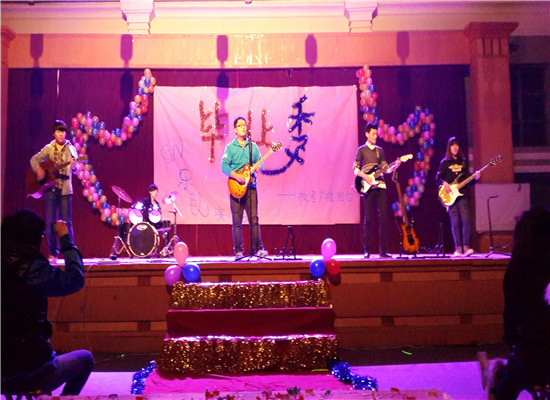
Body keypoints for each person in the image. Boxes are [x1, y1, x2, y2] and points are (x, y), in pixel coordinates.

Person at [1, 210, 94, 396]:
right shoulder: (33, 269)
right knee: (86, 359)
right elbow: (75, 279)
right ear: (34, 239)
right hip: (33, 369)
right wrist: (66, 239)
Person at [478, 208, 550, 399]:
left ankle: (495, 383)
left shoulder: (518, 269)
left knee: (508, 384)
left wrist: (514, 344)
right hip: (534, 351)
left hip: (530, 354)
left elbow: (511, 316)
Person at [30, 120, 80, 262]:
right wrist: (38, 170)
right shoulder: (49, 148)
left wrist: (74, 166)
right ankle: (53, 252)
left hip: (65, 189)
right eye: (58, 131)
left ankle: (70, 253)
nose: (61, 134)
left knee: (66, 222)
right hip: (51, 189)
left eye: (63, 131)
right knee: (51, 222)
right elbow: (34, 159)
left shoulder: (71, 148)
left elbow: (77, 169)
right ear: (54, 133)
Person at [221, 116, 268, 260]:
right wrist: (235, 175)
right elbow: (224, 166)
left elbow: (260, 162)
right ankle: (238, 251)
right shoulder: (230, 147)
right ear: (235, 129)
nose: (243, 127)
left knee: (254, 219)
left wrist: (260, 167)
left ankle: (258, 249)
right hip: (236, 187)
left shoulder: (253, 147)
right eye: (240, 125)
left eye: (244, 125)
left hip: (251, 187)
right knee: (237, 221)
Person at [353, 123, 401, 258]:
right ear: (367, 134)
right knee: (368, 218)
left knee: (384, 218)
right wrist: (366, 177)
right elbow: (355, 169)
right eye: (373, 134)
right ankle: (366, 250)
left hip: (381, 185)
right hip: (368, 187)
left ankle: (383, 250)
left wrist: (395, 166)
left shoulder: (380, 151)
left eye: (376, 134)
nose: (375, 136)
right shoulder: (361, 150)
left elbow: (386, 169)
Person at [435, 137, 478, 257]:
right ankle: (458, 248)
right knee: (455, 222)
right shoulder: (445, 162)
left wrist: (475, 178)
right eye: (452, 145)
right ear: (449, 148)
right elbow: (438, 177)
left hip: (462, 195)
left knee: (466, 221)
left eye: (457, 145)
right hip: (450, 196)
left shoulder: (463, 162)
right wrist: (444, 183)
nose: (455, 147)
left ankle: (466, 247)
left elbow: (468, 180)